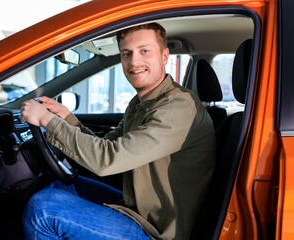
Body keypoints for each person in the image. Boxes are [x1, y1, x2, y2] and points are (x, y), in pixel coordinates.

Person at [20, 23, 216, 240]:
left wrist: (46, 120)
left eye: (144, 51)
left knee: (44, 211)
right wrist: (67, 118)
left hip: (156, 233)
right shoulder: (142, 103)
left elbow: (107, 160)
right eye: (127, 53)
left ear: (164, 56)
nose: (134, 62)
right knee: (59, 185)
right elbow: (107, 146)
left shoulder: (179, 107)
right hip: (137, 211)